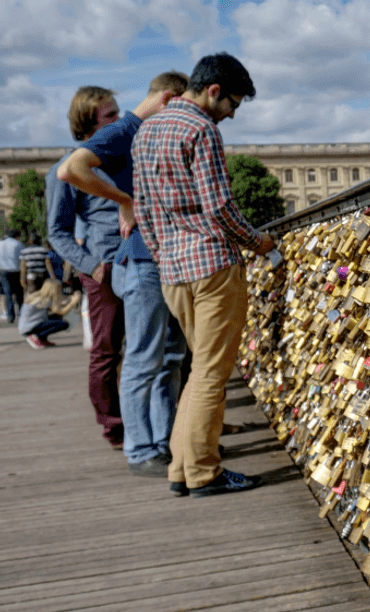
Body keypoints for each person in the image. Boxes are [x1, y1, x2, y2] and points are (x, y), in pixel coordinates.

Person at [132, 53, 276, 497]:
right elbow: (219, 207)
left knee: (200, 371)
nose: (231, 114)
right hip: (212, 266)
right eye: (232, 103)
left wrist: (163, 256)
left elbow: (142, 209)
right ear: (213, 91)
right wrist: (257, 242)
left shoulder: (146, 130)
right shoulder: (201, 129)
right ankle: (203, 472)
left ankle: (181, 469)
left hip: (173, 272)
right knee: (212, 374)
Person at [58, 71, 190, 477]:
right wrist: (125, 201)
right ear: (168, 99)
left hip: (156, 259)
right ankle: (138, 446)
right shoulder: (123, 132)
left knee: (167, 357)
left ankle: (163, 442)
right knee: (137, 357)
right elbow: (69, 171)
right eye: (184, 108)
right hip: (133, 260)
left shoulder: (142, 133)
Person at [46, 86, 125, 450]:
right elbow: (57, 232)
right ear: (88, 123)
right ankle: (114, 427)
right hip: (104, 266)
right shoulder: (64, 169)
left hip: (140, 261)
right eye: (111, 115)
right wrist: (92, 267)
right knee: (107, 351)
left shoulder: (123, 157)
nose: (119, 119)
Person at [19, 258, 79, 349]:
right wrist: (73, 302)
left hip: (27, 325)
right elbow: (60, 311)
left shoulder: (38, 296)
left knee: (55, 318)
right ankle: (36, 336)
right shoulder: (45, 300)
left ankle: (42, 339)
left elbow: (55, 308)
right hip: (30, 328)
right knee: (64, 324)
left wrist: (68, 301)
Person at [0, 229, 24, 323]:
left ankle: (10, 316)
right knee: (19, 293)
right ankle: (21, 313)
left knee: (8, 293)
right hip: (16, 271)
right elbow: (22, 258)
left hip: (3, 271)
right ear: (16, 236)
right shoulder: (18, 244)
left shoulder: (1, 243)